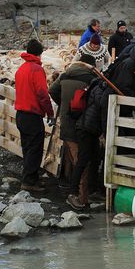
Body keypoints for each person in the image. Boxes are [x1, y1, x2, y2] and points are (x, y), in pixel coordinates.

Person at [70, 47, 135, 210]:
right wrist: (107, 132)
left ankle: (102, 189)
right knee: (89, 157)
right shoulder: (128, 66)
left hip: (113, 116)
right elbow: (121, 91)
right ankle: (75, 193)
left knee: (105, 155)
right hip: (93, 123)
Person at [48, 53, 97, 199]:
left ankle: (71, 187)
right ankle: (81, 196)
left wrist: (63, 105)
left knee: (74, 156)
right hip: (83, 124)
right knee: (82, 160)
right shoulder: (91, 79)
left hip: (66, 121)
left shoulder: (65, 75)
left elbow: (52, 90)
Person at [14, 39, 54, 193]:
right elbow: (42, 94)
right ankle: (29, 181)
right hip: (32, 114)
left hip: (21, 114)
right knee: (35, 148)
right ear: (39, 53)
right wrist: (50, 112)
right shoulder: (36, 69)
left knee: (27, 147)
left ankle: (31, 177)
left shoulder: (21, 69)